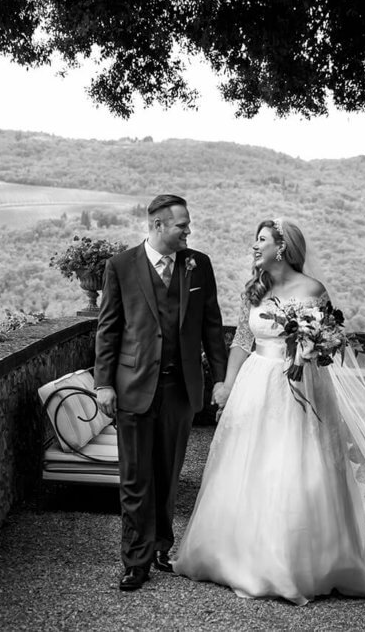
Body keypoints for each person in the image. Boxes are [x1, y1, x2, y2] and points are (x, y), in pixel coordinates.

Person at [173, 218, 365, 605]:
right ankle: (237, 554)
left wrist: (310, 350)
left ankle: (305, 561)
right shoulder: (255, 290)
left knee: (298, 465)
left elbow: (330, 343)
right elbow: (241, 340)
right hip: (256, 382)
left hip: (302, 386)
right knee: (248, 465)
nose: (255, 246)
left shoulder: (313, 290)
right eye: (256, 240)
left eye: (262, 240)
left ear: (282, 248)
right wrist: (227, 384)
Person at [94, 194, 229, 592]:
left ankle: (160, 546)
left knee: (168, 475)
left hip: (180, 389)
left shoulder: (198, 264)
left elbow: (211, 327)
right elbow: (109, 329)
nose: (189, 230)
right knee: (136, 479)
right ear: (157, 226)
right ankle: (135, 561)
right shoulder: (120, 266)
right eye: (182, 225)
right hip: (133, 388)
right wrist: (103, 384)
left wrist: (222, 380)